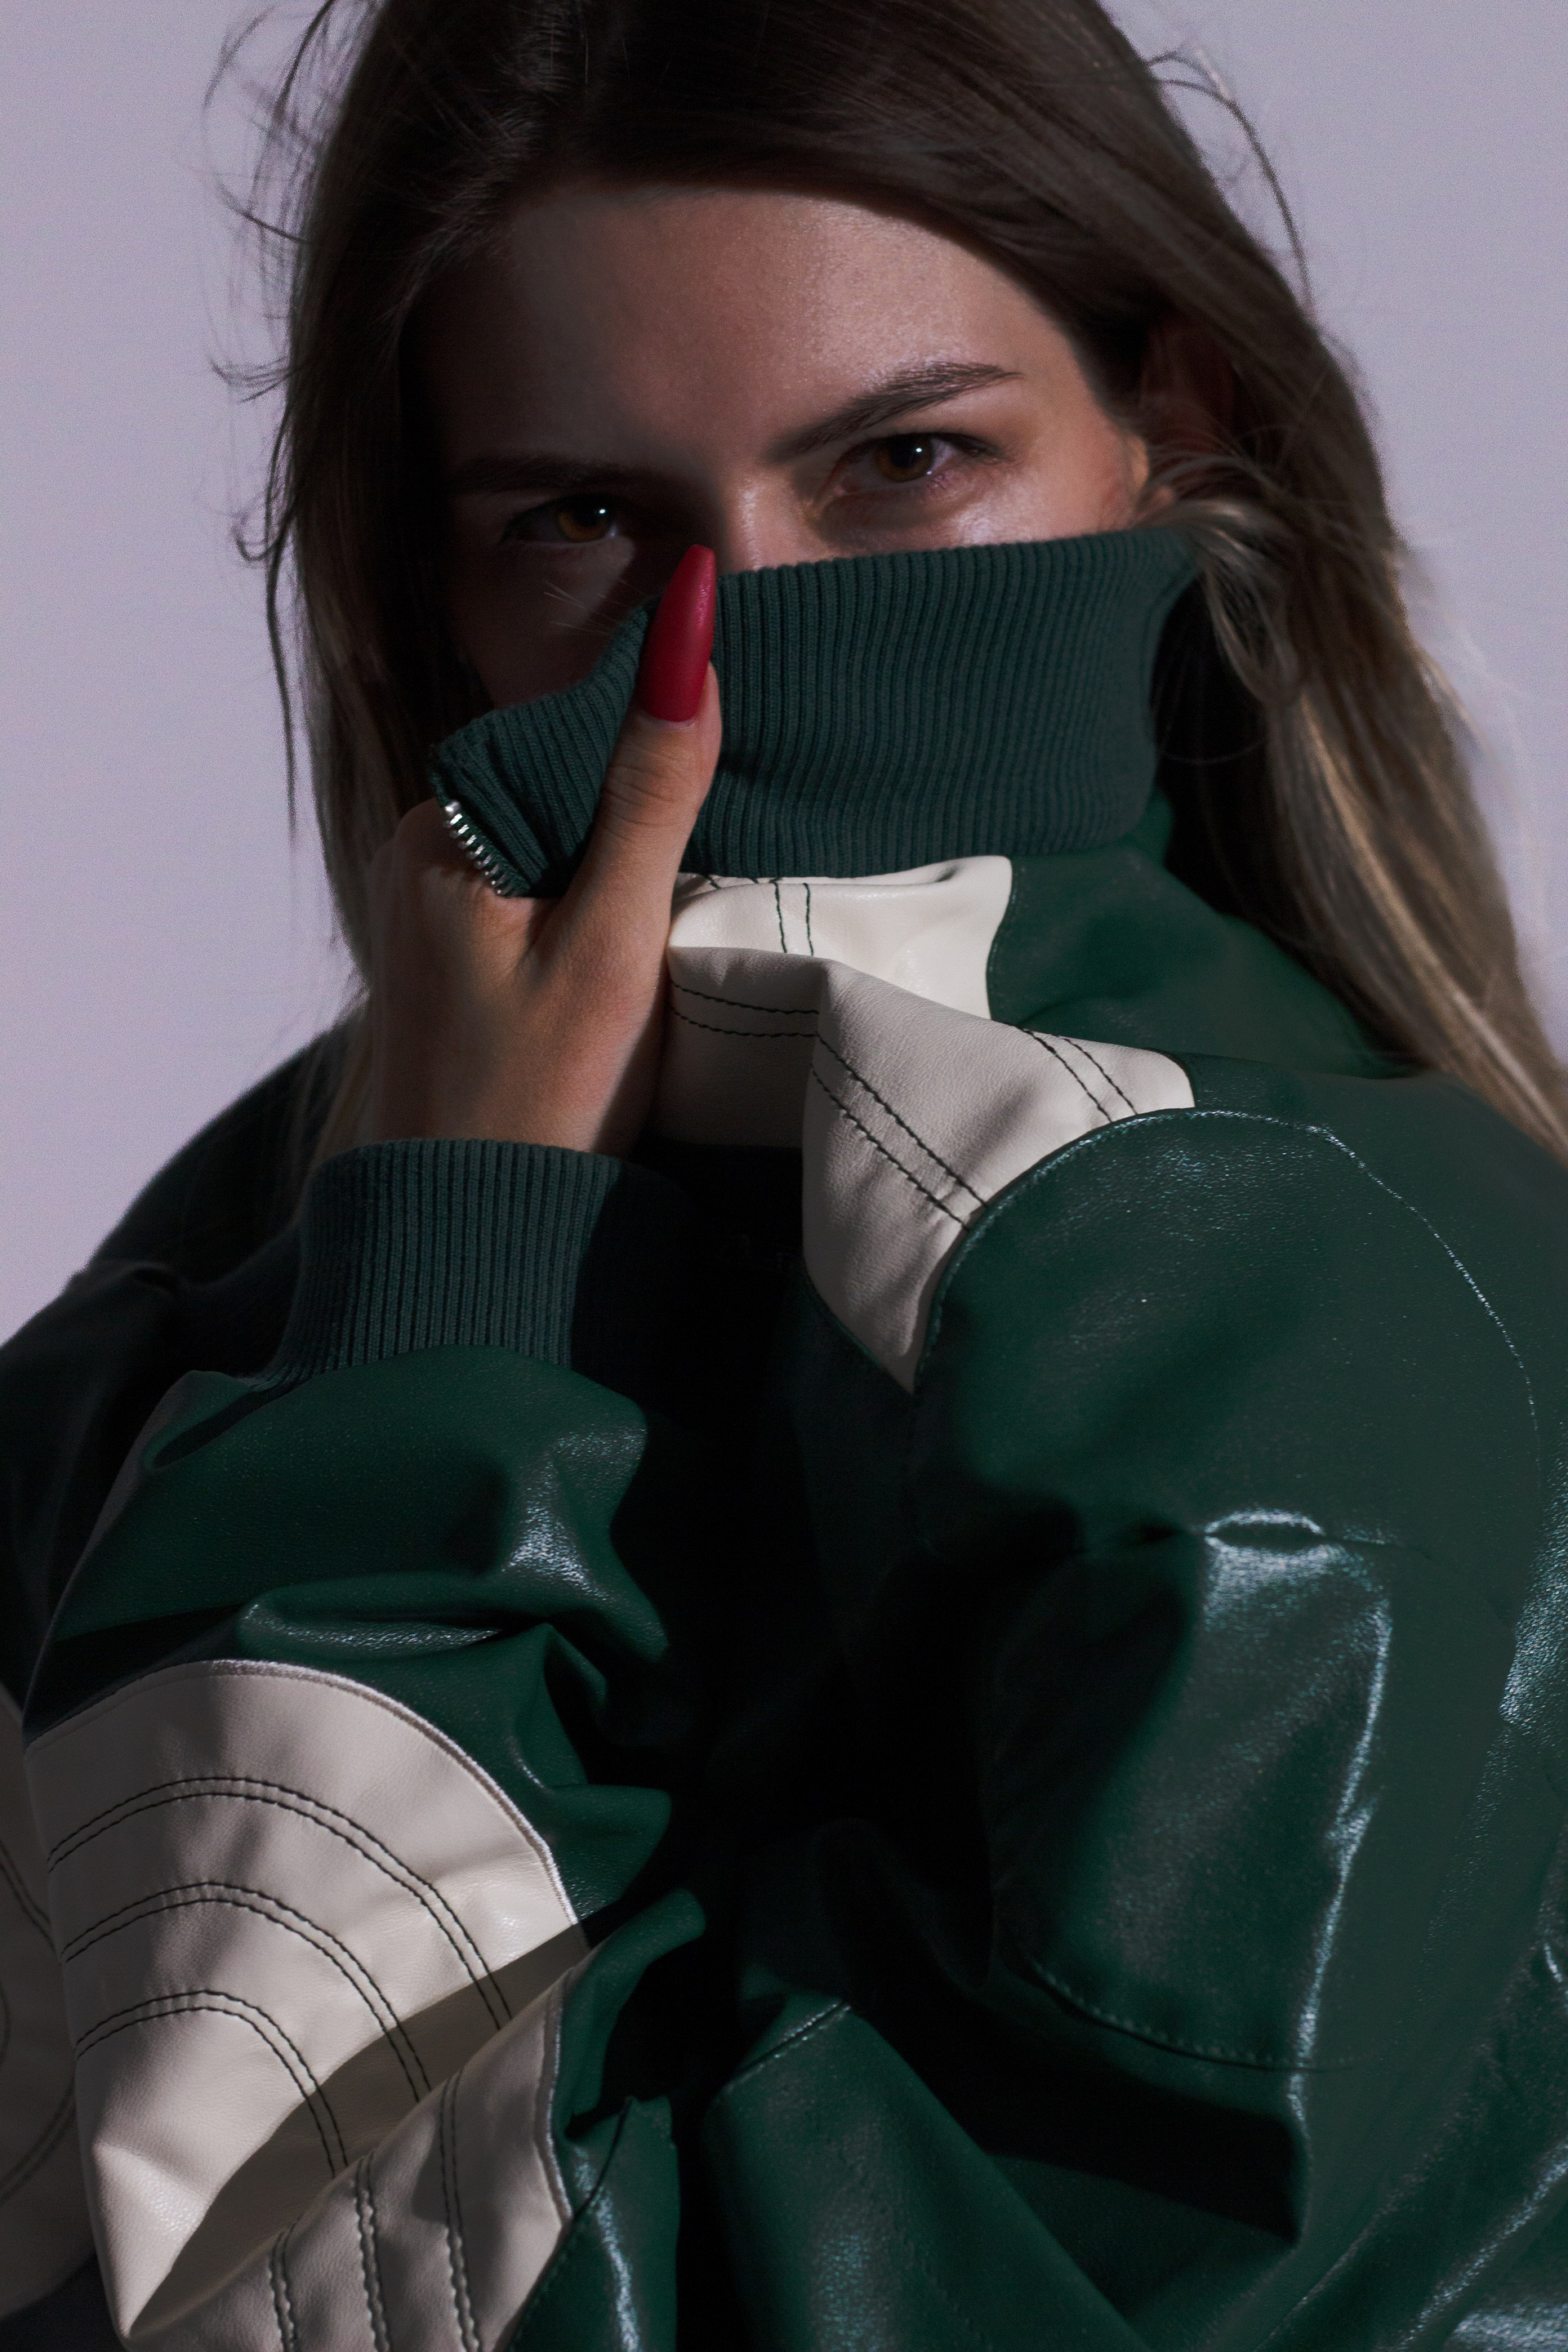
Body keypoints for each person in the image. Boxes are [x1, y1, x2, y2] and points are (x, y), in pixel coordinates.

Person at [2, 0, 1566, 2344]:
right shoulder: (264, 1241)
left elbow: (316, 2294)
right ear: (426, 579)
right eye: (582, 521)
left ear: (1177, 419)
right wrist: (435, 1249)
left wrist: (433, 1331)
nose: (732, 639)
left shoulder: (1257, 1276)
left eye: (906, 460)